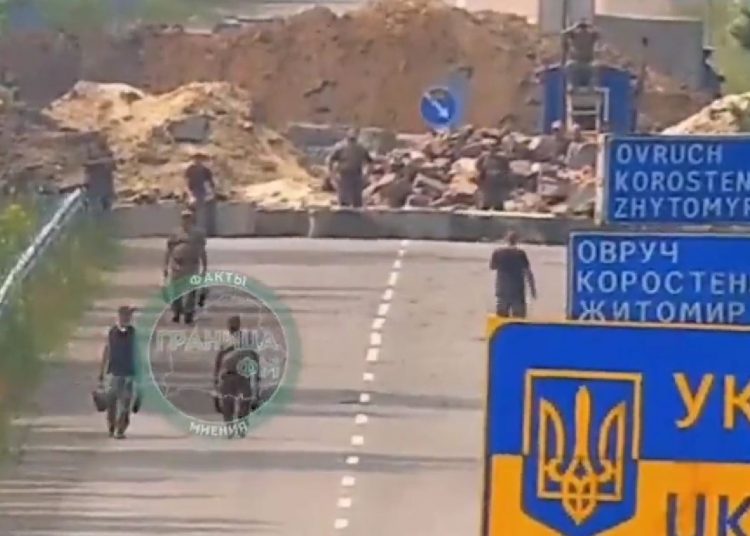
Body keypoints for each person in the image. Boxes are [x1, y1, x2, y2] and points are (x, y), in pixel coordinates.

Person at [213, 316, 260, 437]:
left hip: (243, 377)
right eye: (230, 324)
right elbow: (219, 360)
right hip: (227, 376)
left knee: (245, 404)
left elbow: (254, 358)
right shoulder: (224, 341)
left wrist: (256, 378)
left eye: (234, 324)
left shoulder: (246, 340)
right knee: (227, 406)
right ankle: (230, 429)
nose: (232, 327)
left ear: (238, 325)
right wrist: (216, 378)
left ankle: (241, 426)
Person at [98, 305, 138, 439]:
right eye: (124, 315)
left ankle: (120, 429)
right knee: (111, 403)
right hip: (113, 373)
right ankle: (111, 426)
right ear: (119, 316)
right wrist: (102, 371)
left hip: (128, 373)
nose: (126, 318)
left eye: (128, 316)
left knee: (125, 404)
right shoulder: (112, 332)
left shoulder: (133, 334)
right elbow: (106, 351)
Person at [163, 209, 207, 325]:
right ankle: (176, 312)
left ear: (192, 219)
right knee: (176, 289)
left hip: (192, 265)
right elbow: (169, 250)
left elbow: (202, 251)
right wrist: (165, 265)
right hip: (177, 264)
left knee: (191, 290)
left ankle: (189, 313)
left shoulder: (198, 234)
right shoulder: (175, 233)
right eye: (184, 217)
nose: (186, 220)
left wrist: (204, 266)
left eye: (188, 217)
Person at [490, 231, 536, 318]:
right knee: (519, 319)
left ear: (506, 239)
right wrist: (533, 289)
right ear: (516, 240)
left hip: (502, 289)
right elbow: (528, 272)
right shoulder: (520, 254)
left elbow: (492, 267)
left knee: (502, 318)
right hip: (517, 290)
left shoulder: (497, 252)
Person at [327, 128, 373, 208]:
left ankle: (357, 214)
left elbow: (370, 162)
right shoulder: (340, 147)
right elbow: (330, 160)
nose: (353, 135)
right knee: (344, 200)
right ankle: (344, 213)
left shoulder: (361, 148)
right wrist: (332, 175)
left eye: (355, 133)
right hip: (344, 176)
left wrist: (366, 175)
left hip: (357, 176)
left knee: (357, 201)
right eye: (351, 133)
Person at [184, 153, 217, 236]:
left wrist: (210, 194)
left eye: (199, 159)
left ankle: (201, 232)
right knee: (191, 213)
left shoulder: (206, 170)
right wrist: (189, 194)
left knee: (201, 214)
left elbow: (210, 183)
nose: (197, 161)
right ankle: (190, 231)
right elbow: (186, 182)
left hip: (202, 193)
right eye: (196, 159)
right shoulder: (190, 169)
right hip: (193, 193)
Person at [563, 20, 600, 89]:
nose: (583, 32)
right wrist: (575, 26)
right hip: (577, 62)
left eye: (584, 29)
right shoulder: (575, 35)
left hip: (588, 62)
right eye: (582, 29)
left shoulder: (591, 35)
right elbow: (564, 33)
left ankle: (592, 86)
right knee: (569, 66)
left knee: (596, 66)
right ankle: (572, 85)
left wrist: (590, 26)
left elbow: (599, 33)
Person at [475, 144, 510, 211]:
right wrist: (482, 172)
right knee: (487, 193)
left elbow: (507, 167)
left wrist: (504, 175)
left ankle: (498, 206)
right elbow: (478, 165)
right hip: (488, 177)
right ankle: (486, 206)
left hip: (499, 177)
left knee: (498, 193)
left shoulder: (502, 157)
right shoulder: (484, 157)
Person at [84, 141, 116, 212]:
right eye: (90, 150)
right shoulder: (90, 162)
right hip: (94, 189)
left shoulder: (107, 158)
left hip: (105, 188)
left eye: (92, 149)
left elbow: (112, 166)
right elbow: (87, 169)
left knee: (107, 206)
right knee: (94, 207)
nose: (91, 152)